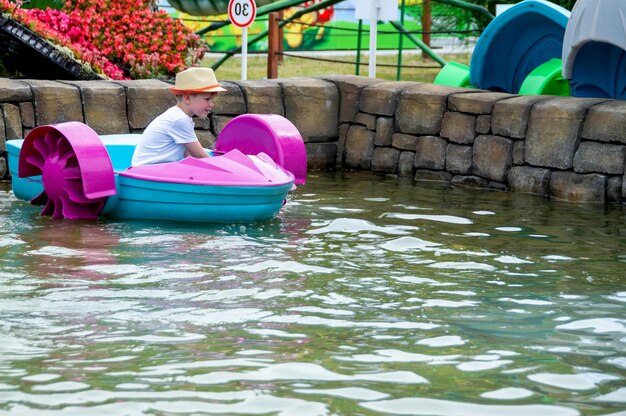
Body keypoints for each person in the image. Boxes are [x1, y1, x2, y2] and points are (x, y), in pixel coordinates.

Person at [130, 67, 227, 166]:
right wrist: (223, 168)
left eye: (212, 100)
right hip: (147, 171)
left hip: (146, 168)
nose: (212, 104)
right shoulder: (180, 120)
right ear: (187, 98)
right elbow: (199, 155)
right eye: (207, 99)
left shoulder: (178, 116)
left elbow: (188, 155)